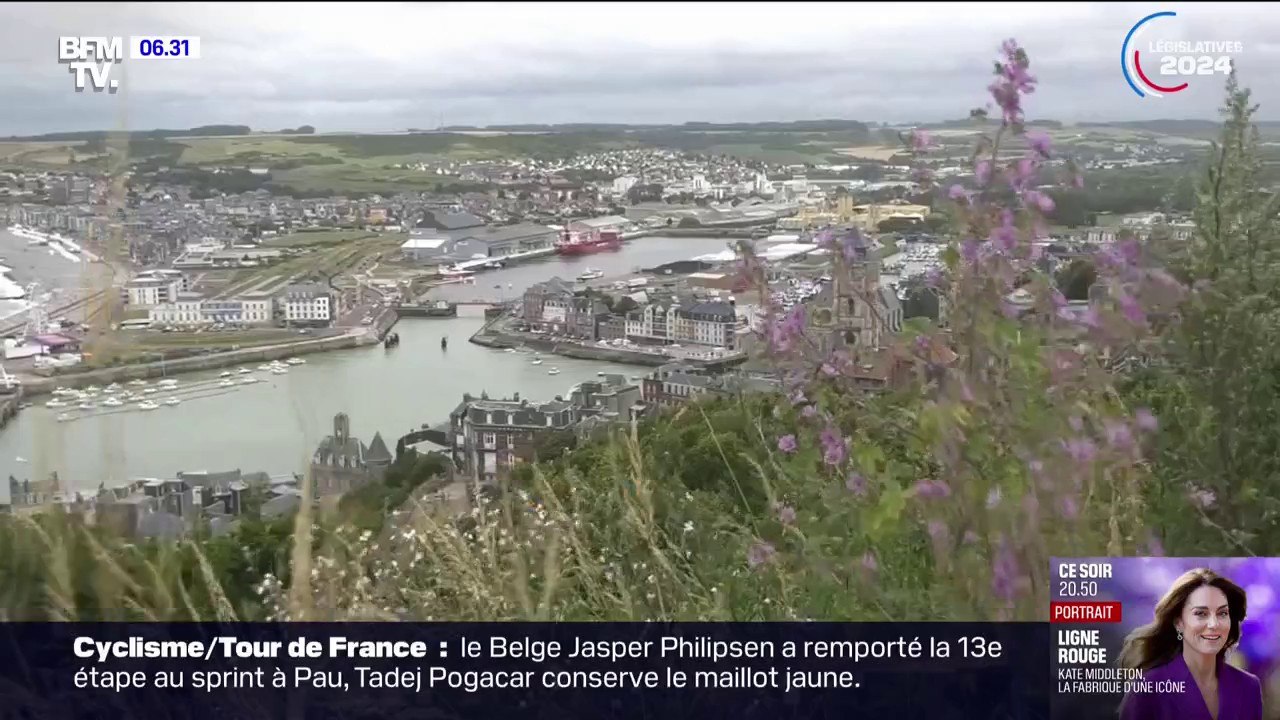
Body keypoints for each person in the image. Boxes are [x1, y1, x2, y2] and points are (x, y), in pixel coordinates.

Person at [1119, 568, 1263, 720]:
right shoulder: (1149, 688)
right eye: (1201, 613)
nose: (1214, 624)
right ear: (1179, 622)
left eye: (1222, 613)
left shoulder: (1248, 686)